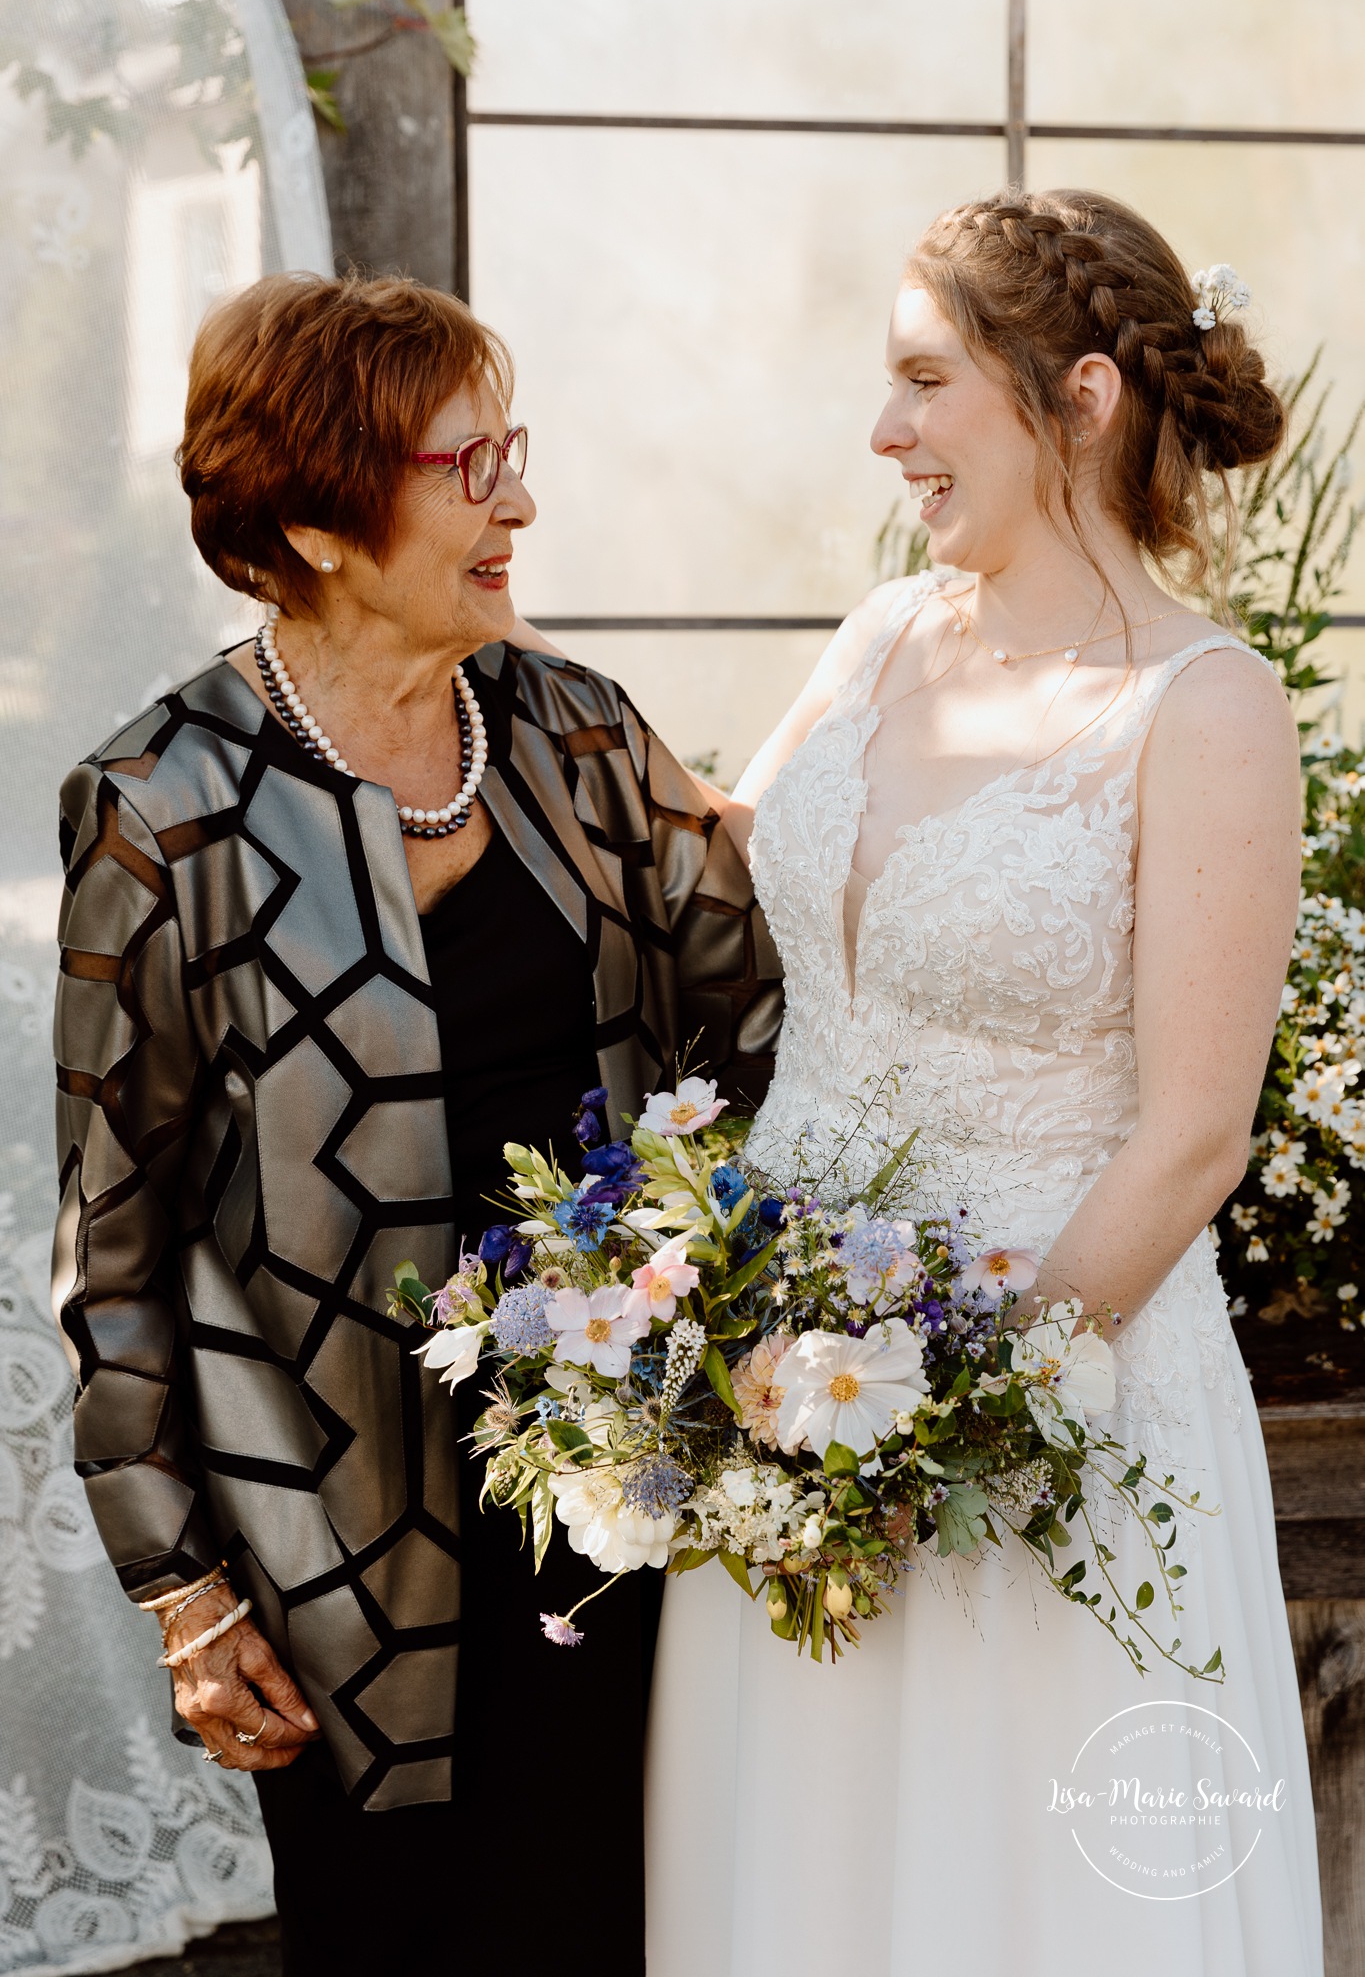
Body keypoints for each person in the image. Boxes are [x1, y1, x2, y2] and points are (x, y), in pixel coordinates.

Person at [51, 272, 780, 1977]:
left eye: (509, 453)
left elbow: (751, 1050)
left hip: (616, 1491)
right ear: (313, 523)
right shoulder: (162, 810)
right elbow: (115, 1238)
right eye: (468, 467)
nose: (516, 503)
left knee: (610, 1923)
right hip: (333, 1533)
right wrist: (182, 1589)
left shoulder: (585, 737)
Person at [646, 191, 1322, 1974]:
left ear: (1078, 397)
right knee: (798, 1880)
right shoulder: (883, 636)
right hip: (778, 1382)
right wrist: (500, 696)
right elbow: (735, 862)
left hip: (1045, 1406)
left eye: (924, 379)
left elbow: (1193, 1138)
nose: (885, 431)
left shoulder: (1207, 707)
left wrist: (942, 1422)